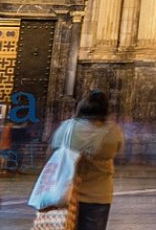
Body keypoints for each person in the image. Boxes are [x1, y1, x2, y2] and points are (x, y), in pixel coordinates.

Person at [50, 91, 123, 230]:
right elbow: (117, 150)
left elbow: (54, 149)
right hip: (98, 196)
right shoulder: (112, 132)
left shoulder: (67, 128)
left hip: (65, 193)